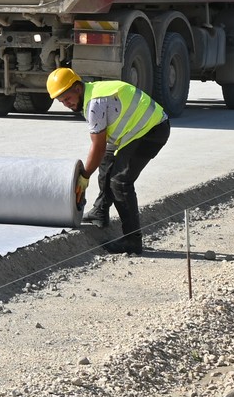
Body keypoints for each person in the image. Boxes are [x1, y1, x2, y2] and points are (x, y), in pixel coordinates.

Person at [46, 66, 170, 255]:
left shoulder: (95, 103)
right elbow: (102, 148)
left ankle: (132, 241)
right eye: (61, 101)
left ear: (77, 88)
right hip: (134, 131)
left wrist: (85, 175)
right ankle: (100, 212)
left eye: (67, 99)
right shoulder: (90, 93)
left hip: (151, 130)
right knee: (106, 164)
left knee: (120, 182)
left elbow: (98, 146)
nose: (66, 104)